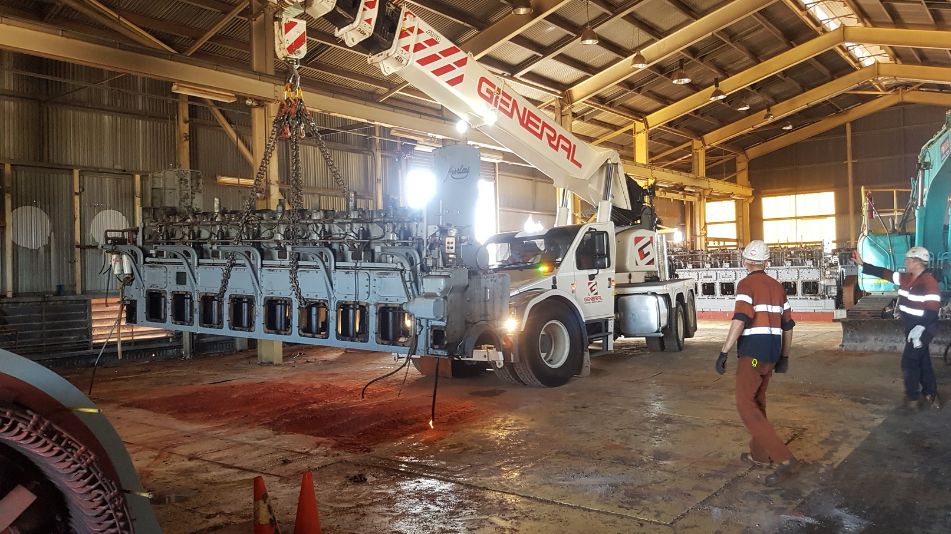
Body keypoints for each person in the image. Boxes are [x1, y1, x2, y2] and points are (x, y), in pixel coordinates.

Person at [715, 240, 798, 486]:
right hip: (772, 353)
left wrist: (724, 351)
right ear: (767, 263)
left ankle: (784, 458)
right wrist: (784, 356)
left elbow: (740, 319)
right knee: (758, 402)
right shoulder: (778, 287)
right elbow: (789, 326)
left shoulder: (746, 284)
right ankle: (760, 456)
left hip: (752, 353)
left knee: (744, 404)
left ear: (744, 262)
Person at [853, 246, 942, 411]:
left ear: (918, 262)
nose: (905, 262)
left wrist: (920, 329)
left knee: (908, 362)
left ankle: (912, 398)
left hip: (923, 330)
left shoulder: (929, 282)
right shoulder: (906, 278)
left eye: (908, 259)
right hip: (911, 328)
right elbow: (885, 273)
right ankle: (931, 394)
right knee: (923, 361)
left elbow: (932, 311)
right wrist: (863, 265)